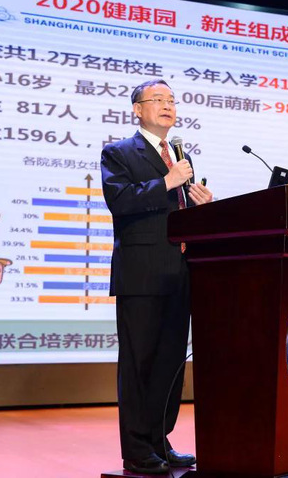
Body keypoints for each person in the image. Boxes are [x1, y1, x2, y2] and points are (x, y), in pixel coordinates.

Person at [101, 79, 213, 475]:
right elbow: (120, 201)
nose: (167, 106)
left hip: (180, 272)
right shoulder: (118, 152)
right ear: (137, 109)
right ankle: (136, 449)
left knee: (170, 364)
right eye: (158, 99)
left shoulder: (180, 156)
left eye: (171, 100)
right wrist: (167, 181)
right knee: (139, 363)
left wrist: (201, 204)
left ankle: (159, 440)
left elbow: (177, 213)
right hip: (141, 273)